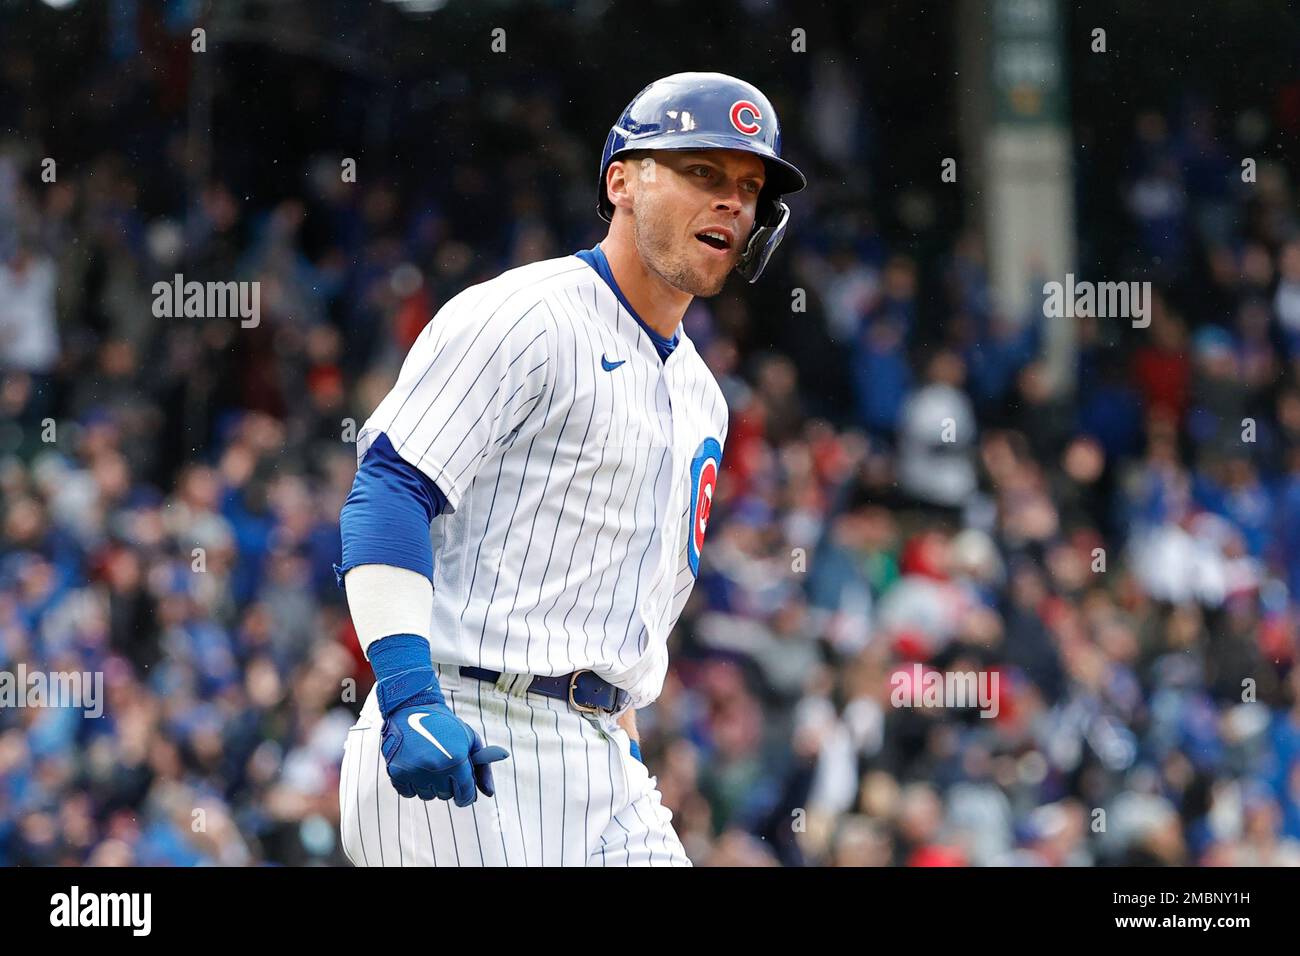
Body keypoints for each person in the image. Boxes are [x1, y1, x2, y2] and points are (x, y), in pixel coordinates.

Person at [335, 72, 805, 866]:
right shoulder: (525, 314)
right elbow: (389, 489)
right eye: (703, 173)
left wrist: (619, 740)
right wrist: (410, 696)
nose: (732, 201)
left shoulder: (703, 399)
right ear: (621, 181)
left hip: (600, 751)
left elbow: (621, 614)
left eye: (749, 187)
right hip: (463, 722)